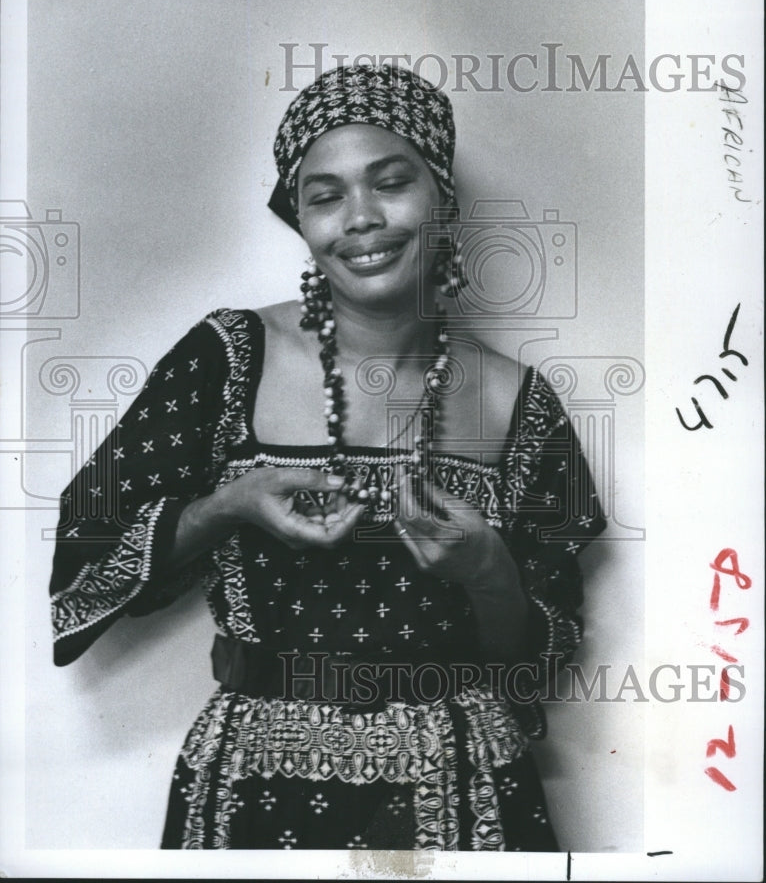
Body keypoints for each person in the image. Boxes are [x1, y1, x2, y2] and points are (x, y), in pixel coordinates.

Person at [50, 64, 606, 851]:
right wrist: (230, 506)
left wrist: (489, 573)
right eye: (326, 195)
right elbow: (87, 554)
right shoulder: (227, 357)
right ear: (300, 220)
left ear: (441, 195)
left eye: (391, 182)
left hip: (464, 790)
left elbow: (532, 664)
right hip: (255, 784)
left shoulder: (520, 403)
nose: (362, 218)